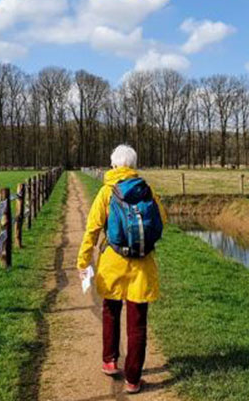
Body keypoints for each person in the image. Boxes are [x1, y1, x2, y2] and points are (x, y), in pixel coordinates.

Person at [77, 144, 166, 395]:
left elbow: (92, 230)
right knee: (137, 323)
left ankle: (110, 360)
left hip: (113, 264)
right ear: (134, 165)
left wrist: (83, 261)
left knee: (110, 312)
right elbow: (163, 220)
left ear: (114, 165)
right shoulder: (147, 190)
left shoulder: (107, 192)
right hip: (142, 265)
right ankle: (133, 380)